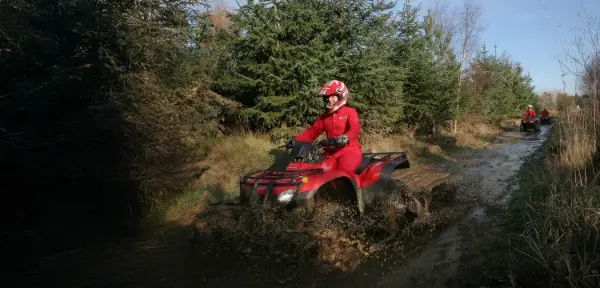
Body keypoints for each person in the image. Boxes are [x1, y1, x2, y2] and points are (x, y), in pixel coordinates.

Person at [286, 80, 363, 176]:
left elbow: (355, 129)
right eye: (327, 97)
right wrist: (295, 141)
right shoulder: (324, 117)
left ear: (341, 96)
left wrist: (346, 137)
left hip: (349, 151)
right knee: (315, 170)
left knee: (344, 171)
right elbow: (312, 132)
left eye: (333, 96)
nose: (329, 100)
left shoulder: (350, 112)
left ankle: (355, 190)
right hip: (329, 153)